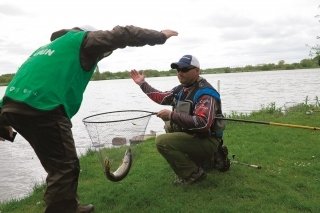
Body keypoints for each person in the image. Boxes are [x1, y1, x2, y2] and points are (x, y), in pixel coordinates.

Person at [0, 25, 178, 213]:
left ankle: (71, 207)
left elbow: (21, 84)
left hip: (11, 107)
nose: (101, 55)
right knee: (65, 168)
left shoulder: (45, 51)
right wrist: (160, 36)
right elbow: (121, 34)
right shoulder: (81, 40)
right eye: (103, 52)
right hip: (44, 108)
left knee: (60, 165)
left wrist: (3, 122)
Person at [130, 55, 230, 185]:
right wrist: (142, 84)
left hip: (208, 139)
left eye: (184, 69)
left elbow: (203, 123)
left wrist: (172, 115)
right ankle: (202, 160)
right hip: (195, 136)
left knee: (162, 141)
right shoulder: (181, 89)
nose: (180, 73)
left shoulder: (205, 93)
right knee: (168, 125)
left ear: (197, 71)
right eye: (178, 70)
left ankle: (192, 174)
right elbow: (161, 97)